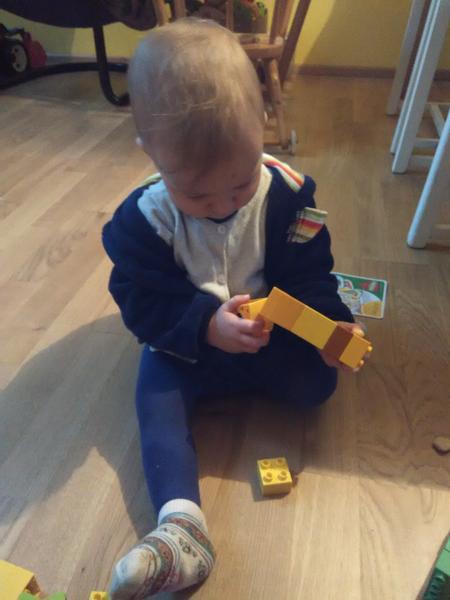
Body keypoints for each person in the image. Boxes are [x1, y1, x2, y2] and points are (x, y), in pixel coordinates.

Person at [102, 17, 362, 599]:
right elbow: (140, 301)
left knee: (317, 386)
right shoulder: (144, 221)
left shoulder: (290, 197)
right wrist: (202, 325)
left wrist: (330, 325)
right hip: (189, 343)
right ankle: (181, 527)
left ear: (261, 125)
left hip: (268, 336)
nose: (221, 205)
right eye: (195, 193)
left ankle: (259, 376)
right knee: (154, 395)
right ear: (151, 153)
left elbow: (311, 275)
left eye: (241, 184)